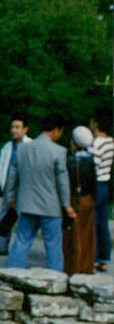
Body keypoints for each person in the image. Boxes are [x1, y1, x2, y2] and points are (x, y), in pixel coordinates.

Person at [6, 111, 75, 272]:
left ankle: (11, 274)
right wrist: (66, 205)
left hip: (26, 204)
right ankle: (54, 279)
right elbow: (62, 182)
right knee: (52, 245)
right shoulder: (58, 151)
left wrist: (11, 197)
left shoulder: (23, 149)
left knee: (22, 241)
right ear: (56, 130)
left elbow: (12, 176)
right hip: (51, 207)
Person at [0, 114, 31, 256]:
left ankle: (20, 251)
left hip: (24, 189)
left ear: (25, 129)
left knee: (23, 220)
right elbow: (1, 166)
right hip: (9, 188)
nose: (14, 130)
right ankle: (1, 247)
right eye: (12, 127)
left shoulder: (30, 146)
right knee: (4, 217)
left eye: (17, 127)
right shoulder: (7, 146)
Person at [62, 126, 97, 276]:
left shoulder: (70, 161)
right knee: (87, 234)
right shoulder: (90, 161)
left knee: (72, 235)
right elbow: (94, 184)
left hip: (74, 199)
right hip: (87, 199)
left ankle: (72, 267)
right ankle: (86, 265)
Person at [89, 106, 114, 272]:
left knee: (92, 223)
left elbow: (93, 167)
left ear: (96, 124)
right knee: (103, 223)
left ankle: (94, 257)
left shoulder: (95, 143)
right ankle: (104, 258)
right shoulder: (111, 142)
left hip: (95, 184)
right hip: (106, 184)